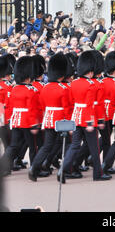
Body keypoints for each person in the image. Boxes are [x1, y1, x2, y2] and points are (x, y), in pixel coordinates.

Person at [58, 50, 111, 182]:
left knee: (75, 145)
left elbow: (71, 103)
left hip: (76, 117)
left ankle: (63, 169)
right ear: (90, 70)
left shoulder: (73, 83)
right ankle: (97, 174)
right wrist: (90, 122)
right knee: (94, 147)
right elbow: (90, 105)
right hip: (87, 118)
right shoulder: (91, 85)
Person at [28, 53, 72, 181]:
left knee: (47, 146)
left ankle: (34, 168)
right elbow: (66, 108)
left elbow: (42, 105)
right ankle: (64, 170)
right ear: (62, 74)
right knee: (68, 144)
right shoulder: (63, 89)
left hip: (48, 118)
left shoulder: (45, 87)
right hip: (61, 120)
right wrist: (69, 123)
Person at [1, 56, 40, 175]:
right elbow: (32, 109)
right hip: (27, 122)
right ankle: (34, 170)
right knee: (33, 147)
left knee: (13, 146)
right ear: (29, 77)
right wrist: (34, 123)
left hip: (15, 120)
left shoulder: (14, 89)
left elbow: (9, 105)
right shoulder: (31, 90)